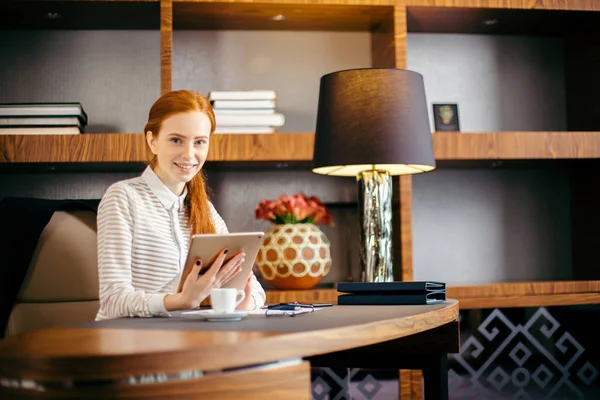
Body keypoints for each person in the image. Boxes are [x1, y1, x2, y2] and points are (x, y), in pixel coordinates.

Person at [95, 89, 266, 320]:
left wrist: (245, 302)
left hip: (186, 337)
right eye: (176, 140)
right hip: (128, 340)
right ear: (152, 141)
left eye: (199, 142)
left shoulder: (205, 209)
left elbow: (255, 289)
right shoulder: (123, 198)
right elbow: (113, 300)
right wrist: (181, 300)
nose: (189, 154)